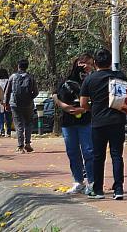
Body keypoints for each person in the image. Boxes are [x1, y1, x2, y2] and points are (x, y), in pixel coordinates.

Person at [80, 48, 127, 200]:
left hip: (98, 122)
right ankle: (119, 189)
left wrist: (93, 109)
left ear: (95, 63)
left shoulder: (90, 79)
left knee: (98, 156)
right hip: (117, 121)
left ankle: (98, 189)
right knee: (117, 155)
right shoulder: (120, 76)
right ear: (110, 62)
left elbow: (83, 103)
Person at [54, 56, 95, 195]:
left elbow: (97, 101)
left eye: (90, 64)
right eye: (84, 63)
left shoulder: (92, 80)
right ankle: (78, 181)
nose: (87, 66)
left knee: (88, 152)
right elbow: (55, 96)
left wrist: (83, 109)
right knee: (72, 152)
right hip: (68, 123)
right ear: (77, 63)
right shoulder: (66, 80)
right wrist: (66, 107)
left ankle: (92, 182)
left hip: (86, 122)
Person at [4, 59, 39, 153]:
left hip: (15, 104)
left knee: (19, 124)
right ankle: (27, 143)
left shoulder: (13, 77)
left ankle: (20, 146)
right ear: (27, 67)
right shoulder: (31, 77)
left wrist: (6, 104)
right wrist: (29, 98)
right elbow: (36, 92)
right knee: (28, 123)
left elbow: (7, 92)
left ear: (18, 66)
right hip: (28, 105)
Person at [0, 67, 12, 137]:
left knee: (1, 116)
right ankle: (8, 131)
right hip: (8, 100)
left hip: (0, 101)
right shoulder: (9, 81)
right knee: (8, 116)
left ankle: (1, 130)